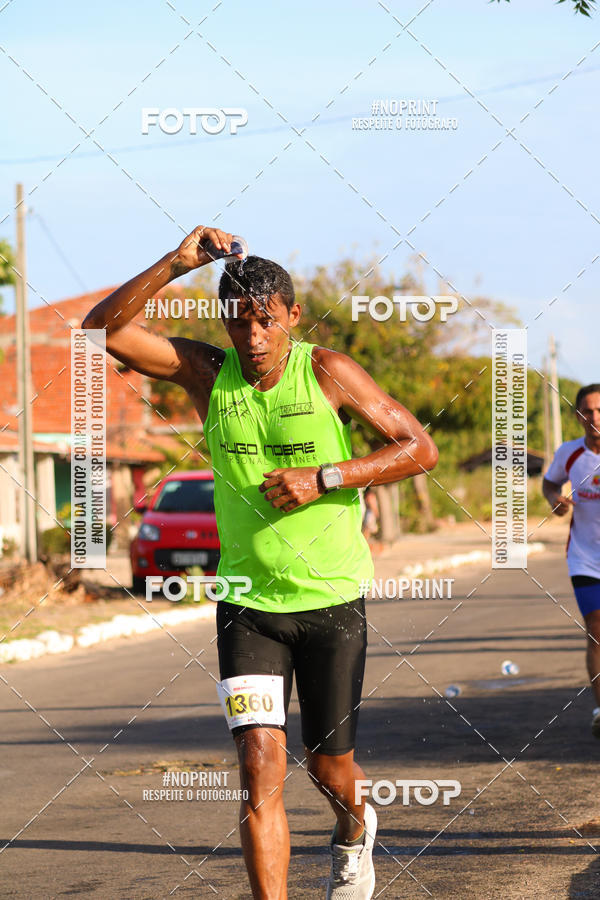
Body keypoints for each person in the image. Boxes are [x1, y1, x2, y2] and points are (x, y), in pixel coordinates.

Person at [83, 225, 438, 899]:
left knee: (330, 769)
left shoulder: (329, 372)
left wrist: (326, 477)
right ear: (224, 320)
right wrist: (175, 262)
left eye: (265, 321)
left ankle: (352, 830)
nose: (252, 336)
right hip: (248, 606)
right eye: (239, 321)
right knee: (258, 767)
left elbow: (419, 448)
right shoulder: (206, 373)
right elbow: (100, 332)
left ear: (292, 318)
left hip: (331, 601)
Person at [543, 384, 600, 738]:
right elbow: (549, 485)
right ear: (578, 416)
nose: (595, 418)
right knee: (596, 630)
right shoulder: (570, 453)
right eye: (588, 411)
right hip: (586, 559)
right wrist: (556, 500)